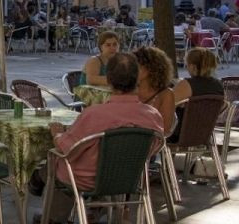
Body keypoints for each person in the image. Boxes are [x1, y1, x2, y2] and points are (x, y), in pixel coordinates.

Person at [31, 53, 163, 223]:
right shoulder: (152, 116)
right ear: (137, 79)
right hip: (130, 178)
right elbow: (156, 146)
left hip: (86, 179)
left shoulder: (93, 114)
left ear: (108, 80)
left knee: (57, 160)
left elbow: (67, 147)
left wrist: (57, 133)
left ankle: (51, 216)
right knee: (64, 163)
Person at [170, 48, 224, 142]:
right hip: (206, 134)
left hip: (180, 134)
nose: (186, 67)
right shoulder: (218, 85)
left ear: (192, 66)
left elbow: (167, 105)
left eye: (187, 64)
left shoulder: (187, 84)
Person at [133, 46, 176, 133]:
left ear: (150, 69)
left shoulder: (165, 94)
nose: (131, 70)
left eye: (136, 66)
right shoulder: (128, 90)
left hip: (153, 142)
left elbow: (165, 129)